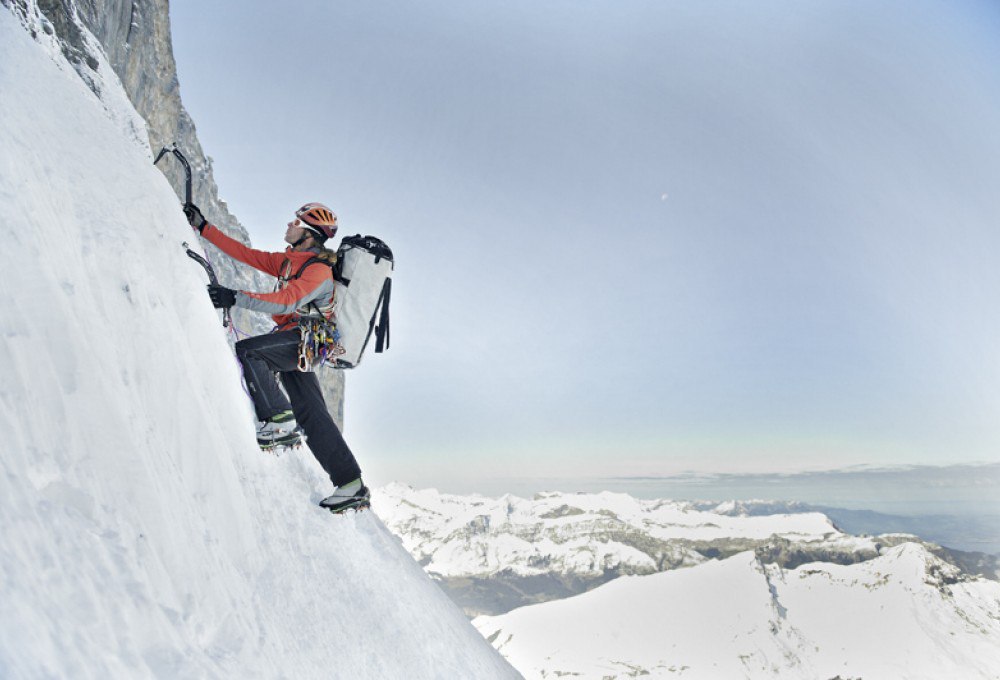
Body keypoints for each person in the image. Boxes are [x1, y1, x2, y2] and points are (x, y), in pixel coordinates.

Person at [183, 200, 369, 513]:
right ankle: (351, 484)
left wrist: (235, 297)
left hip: (305, 339)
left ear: (308, 235)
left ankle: (279, 420)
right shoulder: (288, 262)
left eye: (296, 223)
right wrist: (204, 227)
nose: (289, 225)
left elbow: (285, 302)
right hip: (302, 340)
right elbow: (247, 255)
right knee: (312, 413)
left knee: (250, 351)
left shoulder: (319, 272)